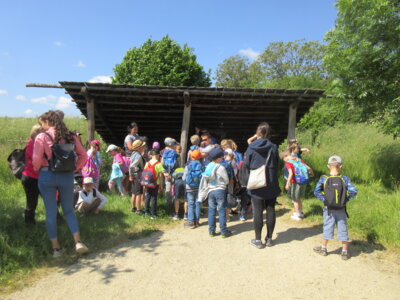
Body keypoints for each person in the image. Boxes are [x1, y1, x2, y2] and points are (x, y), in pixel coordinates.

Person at [32, 110, 89, 257]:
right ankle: (78, 242)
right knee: (69, 210)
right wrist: (74, 168)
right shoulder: (70, 136)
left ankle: (56, 249)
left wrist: (39, 169)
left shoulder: (41, 136)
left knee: (50, 213)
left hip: (47, 175)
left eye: (43, 123)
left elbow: (36, 160)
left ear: (47, 122)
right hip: (66, 176)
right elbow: (83, 155)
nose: (42, 126)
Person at [313, 155, 358, 260]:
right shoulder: (344, 179)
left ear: (328, 166)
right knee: (343, 228)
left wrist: (325, 200)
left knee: (328, 227)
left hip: (328, 209)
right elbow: (353, 191)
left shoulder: (324, 178)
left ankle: (323, 249)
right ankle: (345, 252)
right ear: (341, 166)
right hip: (341, 209)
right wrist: (345, 200)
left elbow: (316, 191)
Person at [244, 122, 281, 249]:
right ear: (269, 133)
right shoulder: (273, 147)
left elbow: (247, 164)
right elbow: (277, 164)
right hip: (271, 181)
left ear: (257, 133)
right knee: (271, 209)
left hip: (257, 182)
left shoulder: (251, 147)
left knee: (258, 211)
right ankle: (269, 239)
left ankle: (258, 240)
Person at [200, 148, 231, 238]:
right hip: (220, 191)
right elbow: (226, 180)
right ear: (218, 158)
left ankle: (211, 231)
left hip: (210, 191)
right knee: (221, 210)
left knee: (211, 211)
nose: (223, 158)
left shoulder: (208, 166)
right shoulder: (220, 167)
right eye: (221, 157)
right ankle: (223, 231)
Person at [280, 149, 314, 221]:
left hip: (295, 182)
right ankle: (300, 212)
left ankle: (298, 215)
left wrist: (287, 183)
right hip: (303, 181)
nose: (284, 161)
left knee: (295, 199)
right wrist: (312, 174)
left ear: (286, 156)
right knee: (299, 199)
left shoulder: (288, 163)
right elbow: (308, 167)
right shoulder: (298, 159)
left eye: (283, 159)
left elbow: (291, 173)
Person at [21, 124, 43, 225]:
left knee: (50, 198)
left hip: (37, 177)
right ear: (36, 133)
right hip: (30, 177)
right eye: (41, 131)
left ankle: (57, 218)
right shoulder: (32, 143)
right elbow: (35, 160)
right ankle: (29, 223)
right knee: (32, 202)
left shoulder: (36, 142)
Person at [143, 149, 168, 219]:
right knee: (154, 198)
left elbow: (144, 172)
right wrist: (162, 183)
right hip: (155, 183)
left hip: (147, 182)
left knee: (147, 197)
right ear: (157, 155)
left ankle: (146, 212)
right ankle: (153, 214)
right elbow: (163, 172)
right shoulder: (158, 164)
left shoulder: (147, 163)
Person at [182, 149, 203, 228]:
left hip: (189, 187)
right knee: (197, 203)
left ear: (191, 156)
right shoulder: (201, 165)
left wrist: (187, 184)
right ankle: (197, 221)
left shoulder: (188, 165)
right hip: (198, 187)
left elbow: (184, 178)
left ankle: (191, 221)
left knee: (191, 204)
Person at [129, 139, 146, 214]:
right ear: (138, 147)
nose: (143, 147)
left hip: (133, 175)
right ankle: (138, 210)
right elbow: (132, 166)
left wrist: (130, 175)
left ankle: (133, 207)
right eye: (142, 146)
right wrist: (131, 174)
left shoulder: (133, 153)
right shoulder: (139, 156)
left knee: (133, 192)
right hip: (137, 175)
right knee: (139, 193)